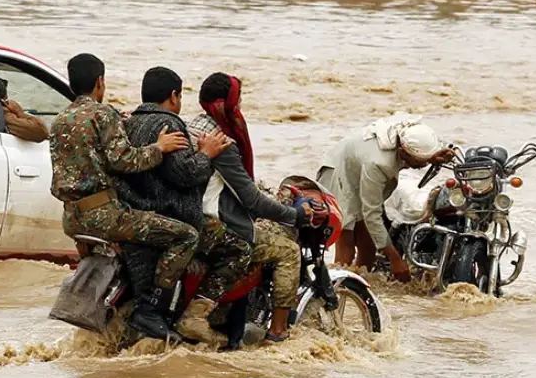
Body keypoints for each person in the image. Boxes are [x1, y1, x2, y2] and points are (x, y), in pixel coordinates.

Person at [49, 53, 198, 340]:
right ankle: (150, 311)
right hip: (104, 216)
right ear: (100, 82)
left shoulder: (60, 120)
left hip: (72, 218)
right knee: (186, 236)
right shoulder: (103, 115)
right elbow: (125, 161)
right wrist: (160, 147)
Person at [115, 67, 251, 347]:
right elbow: (185, 174)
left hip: (133, 213)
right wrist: (206, 154)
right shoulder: (170, 124)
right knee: (241, 250)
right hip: (171, 216)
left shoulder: (128, 123)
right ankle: (196, 317)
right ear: (173, 96)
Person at [188, 73, 328, 344]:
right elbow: (250, 200)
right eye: (237, 100)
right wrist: (294, 215)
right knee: (287, 251)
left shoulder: (193, 127)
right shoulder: (222, 141)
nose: (240, 106)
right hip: (217, 221)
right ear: (227, 104)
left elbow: (236, 183)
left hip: (191, 216)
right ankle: (277, 333)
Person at [317, 112, 453, 281]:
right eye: (420, 161)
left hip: (357, 164)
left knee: (368, 247)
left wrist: (431, 156)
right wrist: (395, 258)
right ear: (403, 152)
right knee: (347, 248)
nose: (424, 165)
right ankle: (336, 289)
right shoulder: (379, 164)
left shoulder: (408, 133)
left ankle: (360, 287)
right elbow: (371, 213)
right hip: (339, 173)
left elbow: (418, 152)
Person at [0, 75, 49, 143]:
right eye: (7, 99)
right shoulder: (1, 114)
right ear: (3, 102)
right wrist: (20, 113)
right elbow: (41, 131)